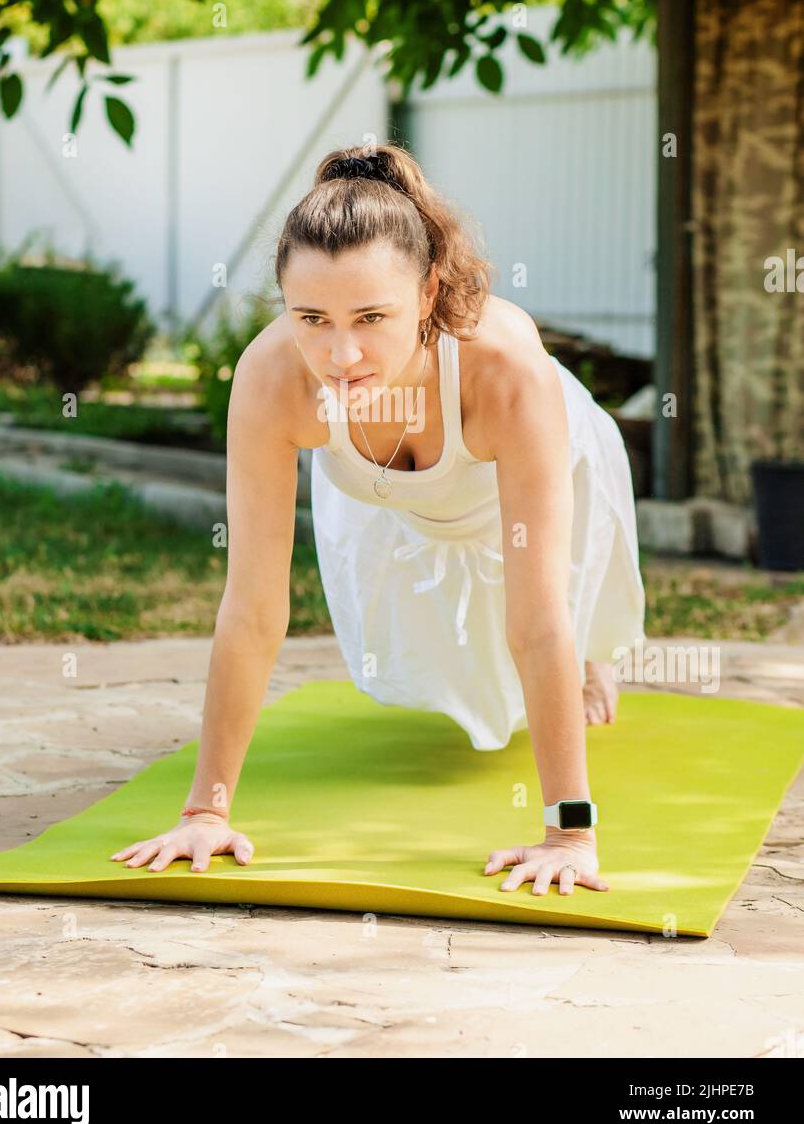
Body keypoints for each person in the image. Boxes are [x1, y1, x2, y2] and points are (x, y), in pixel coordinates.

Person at [111, 143, 645, 897]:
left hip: (537, 461)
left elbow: (536, 617)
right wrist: (205, 810)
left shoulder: (506, 374)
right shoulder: (271, 378)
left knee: (556, 615)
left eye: (371, 316)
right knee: (437, 667)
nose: (341, 353)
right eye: (312, 318)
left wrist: (570, 832)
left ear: (428, 294)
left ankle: (596, 661)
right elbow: (253, 608)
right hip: (389, 492)